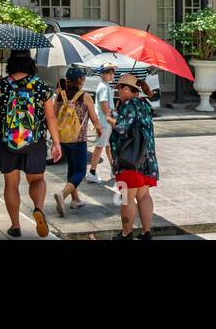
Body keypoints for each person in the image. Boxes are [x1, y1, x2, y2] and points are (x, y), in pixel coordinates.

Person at [0, 52, 61, 238]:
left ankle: (15, 226)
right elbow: (50, 116)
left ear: (11, 63)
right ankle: (38, 208)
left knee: (11, 184)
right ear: (30, 63)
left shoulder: (2, 84)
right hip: (34, 140)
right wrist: (57, 143)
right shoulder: (40, 85)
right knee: (37, 179)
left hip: (7, 140)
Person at [109, 73, 158, 240]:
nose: (118, 93)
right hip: (147, 159)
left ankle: (126, 233)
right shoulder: (145, 105)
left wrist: (111, 117)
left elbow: (122, 128)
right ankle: (146, 233)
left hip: (129, 158)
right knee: (144, 196)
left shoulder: (129, 105)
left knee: (127, 197)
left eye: (119, 89)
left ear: (127, 88)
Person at [53, 67, 102, 217]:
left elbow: (53, 116)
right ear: (80, 80)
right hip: (78, 139)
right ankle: (63, 194)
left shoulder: (60, 95)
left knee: (72, 168)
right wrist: (100, 129)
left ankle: (75, 200)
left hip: (63, 139)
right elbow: (94, 118)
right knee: (80, 171)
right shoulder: (85, 96)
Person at [87, 64, 117, 183]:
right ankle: (92, 172)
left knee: (108, 146)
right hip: (104, 122)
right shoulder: (104, 87)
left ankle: (113, 169)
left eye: (112, 72)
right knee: (100, 146)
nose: (111, 75)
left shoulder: (105, 86)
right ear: (102, 74)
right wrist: (112, 114)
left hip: (105, 122)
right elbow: (104, 105)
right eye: (109, 72)